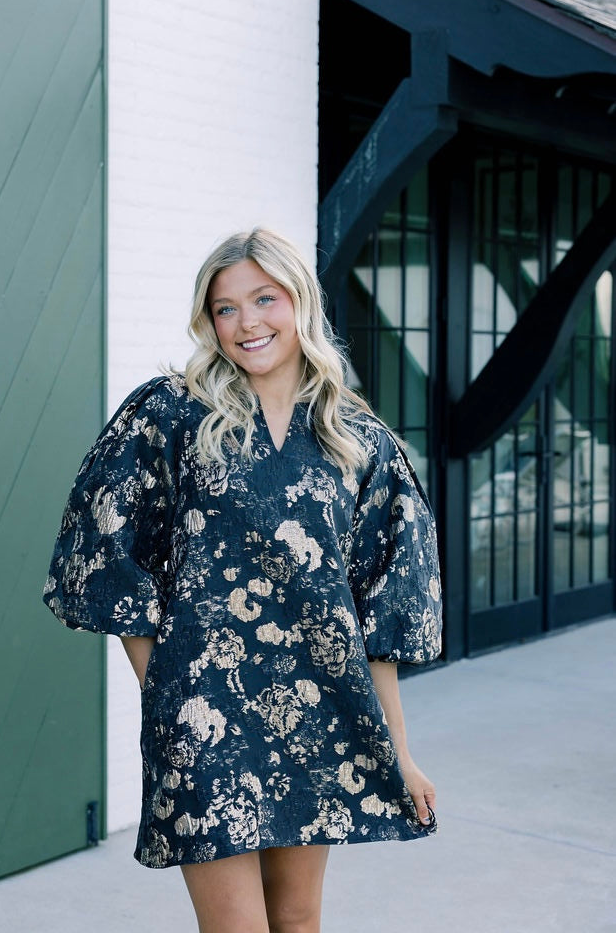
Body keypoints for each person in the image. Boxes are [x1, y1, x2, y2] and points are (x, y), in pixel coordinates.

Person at [43, 227, 442, 933]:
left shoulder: (357, 439)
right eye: (225, 308)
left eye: (264, 299)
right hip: (205, 717)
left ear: (301, 302)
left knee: (297, 920)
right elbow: (109, 558)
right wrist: (167, 694)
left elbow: (378, 611)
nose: (246, 322)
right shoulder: (169, 413)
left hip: (319, 710)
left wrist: (401, 754)